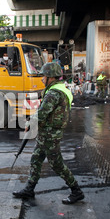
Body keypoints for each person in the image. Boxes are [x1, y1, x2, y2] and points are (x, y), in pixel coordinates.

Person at [13, 62, 85, 204]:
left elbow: (42, 113)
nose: (42, 79)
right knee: (36, 159)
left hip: (50, 135)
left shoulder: (54, 93)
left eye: (44, 76)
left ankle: (76, 191)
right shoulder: (60, 88)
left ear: (51, 77)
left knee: (57, 164)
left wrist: (29, 123)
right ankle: (29, 189)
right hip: (46, 133)